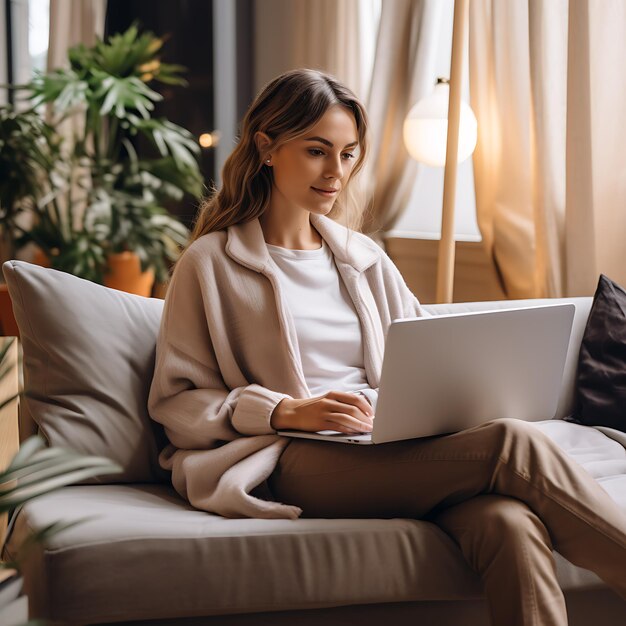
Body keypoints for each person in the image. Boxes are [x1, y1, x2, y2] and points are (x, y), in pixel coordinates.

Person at [148, 68, 626, 626]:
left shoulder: (364, 257)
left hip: (388, 444)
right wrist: (284, 410)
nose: (337, 173)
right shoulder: (210, 265)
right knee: (509, 445)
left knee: (507, 524)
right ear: (267, 148)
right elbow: (177, 404)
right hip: (294, 456)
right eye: (317, 151)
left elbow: (429, 353)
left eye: (349, 154)